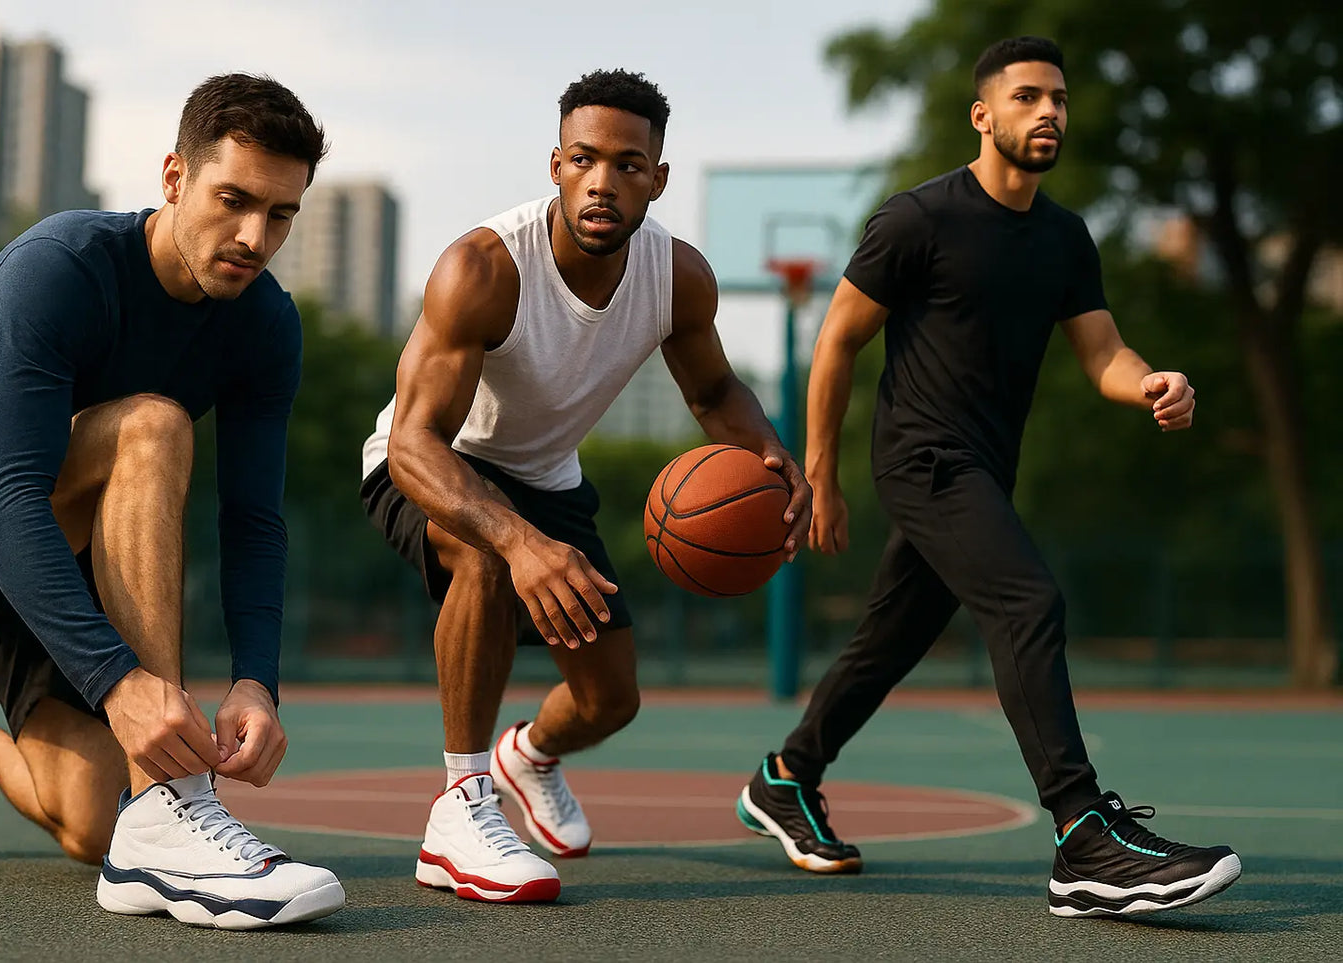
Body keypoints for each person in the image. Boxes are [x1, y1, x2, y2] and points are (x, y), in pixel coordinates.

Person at [736, 37, 1241, 918]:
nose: (1048, 112)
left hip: (982, 470)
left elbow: (1103, 352)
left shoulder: (1063, 238)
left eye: (1058, 99)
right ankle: (1083, 836)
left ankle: (787, 774)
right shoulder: (917, 219)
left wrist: (1150, 380)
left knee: (888, 641)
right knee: (1027, 601)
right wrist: (819, 467)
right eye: (1027, 97)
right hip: (921, 459)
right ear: (983, 115)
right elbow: (838, 338)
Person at [0, 73, 345, 929]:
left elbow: (252, 520)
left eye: (281, 214)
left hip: (66, 548)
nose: (255, 237)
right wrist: (118, 680)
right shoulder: (61, 267)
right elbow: (1, 498)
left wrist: (258, 679)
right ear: (174, 177)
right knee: (155, 424)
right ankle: (175, 802)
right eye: (234, 199)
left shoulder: (264, 324)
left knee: (91, 822)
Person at [361, 68, 811, 903]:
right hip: (432, 461)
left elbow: (714, 395)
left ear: (657, 179)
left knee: (610, 698)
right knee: (485, 558)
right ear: (557, 165)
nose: (603, 180)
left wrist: (773, 454)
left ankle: (526, 756)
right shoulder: (483, 267)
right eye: (584, 159)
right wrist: (518, 539)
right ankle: (459, 809)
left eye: (628, 164)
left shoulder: (677, 277)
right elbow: (415, 443)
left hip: (546, 478)